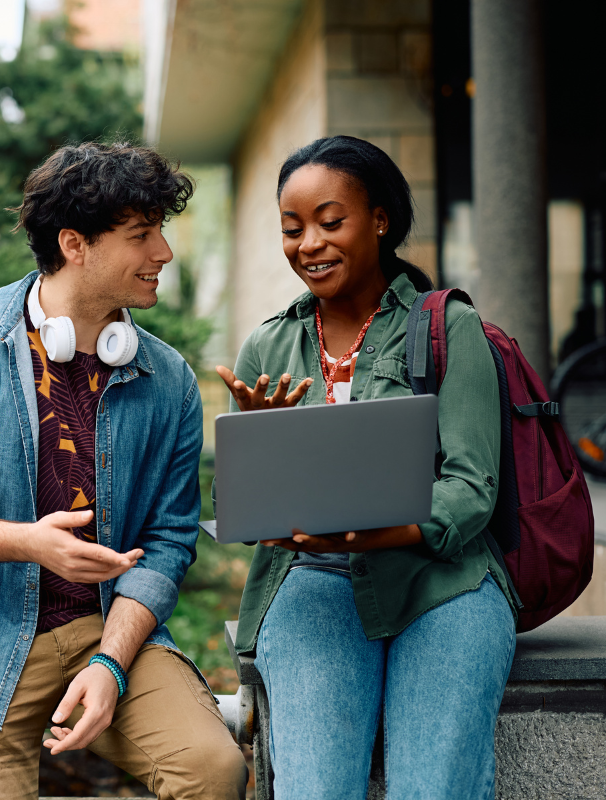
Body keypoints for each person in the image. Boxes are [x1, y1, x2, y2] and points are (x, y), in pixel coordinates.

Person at [0, 142, 247, 800]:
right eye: (141, 234)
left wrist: (110, 660)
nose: (163, 252)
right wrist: (26, 541)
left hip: (110, 630)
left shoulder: (169, 381)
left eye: (160, 230)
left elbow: (168, 542)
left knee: (213, 770)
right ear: (74, 244)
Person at [216, 136, 517, 800]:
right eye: (292, 229)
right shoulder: (268, 343)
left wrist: (375, 534)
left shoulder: (447, 327)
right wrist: (254, 453)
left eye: (331, 221)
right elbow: (240, 506)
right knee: (317, 789)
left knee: (434, 789)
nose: (308, 245)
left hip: (444, 585)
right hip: (313, 583)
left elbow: (473, 490)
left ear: (380, 219)